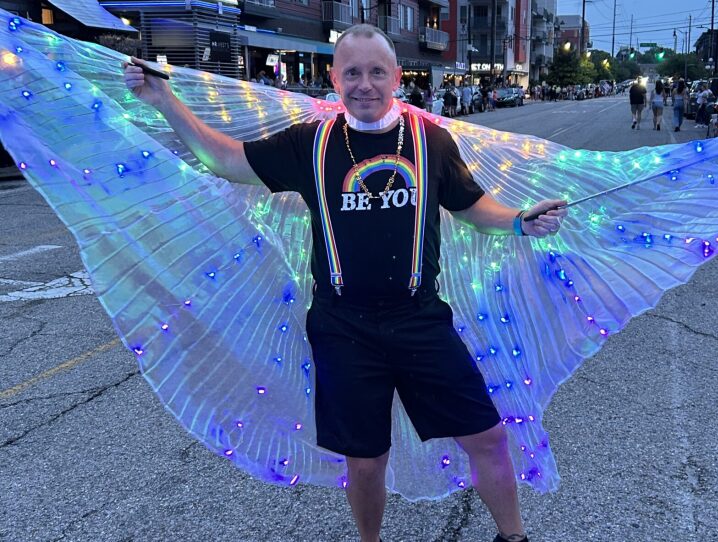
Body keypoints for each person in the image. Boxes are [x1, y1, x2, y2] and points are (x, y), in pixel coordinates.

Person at [123, 24, 567, 542]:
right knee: (364, 461)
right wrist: (164, 100)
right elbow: (226, 160)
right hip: (343, 327)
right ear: (333, 79)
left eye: (377, 71)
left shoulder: (430, 140)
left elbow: (470, 205)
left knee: (488, 438)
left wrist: (519, 220)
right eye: (352, 72)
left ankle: (513, 538)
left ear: (397, 77)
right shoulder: (311, 142)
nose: (365, 84)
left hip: (419, 318)